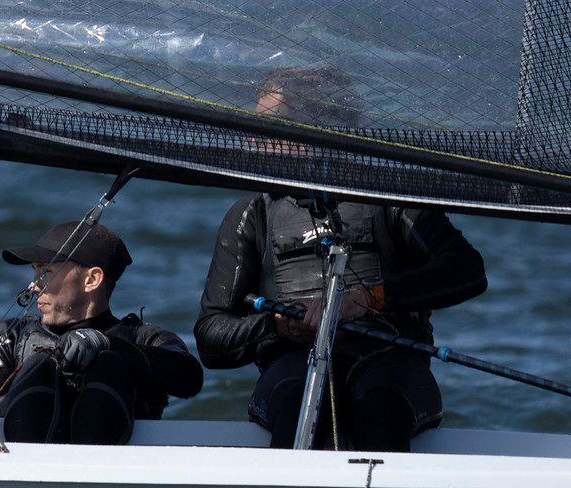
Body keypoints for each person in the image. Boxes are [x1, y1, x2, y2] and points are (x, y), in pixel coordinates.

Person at [194, 67, 488, 451]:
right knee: (305, 406)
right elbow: (210, 338)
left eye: (274, 123)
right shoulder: (253, 214)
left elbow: (467, 271)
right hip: (292, 367)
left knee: (378, 407)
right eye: (255, 123)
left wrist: (368, 300)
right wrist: (276, 327)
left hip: (389, 363)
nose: (256, 137)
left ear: (320, 124)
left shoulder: (388, 199)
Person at [0, 221, 203, 445]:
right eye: (35, 272)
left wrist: (108, 345)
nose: (33, 285)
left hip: (112, 470)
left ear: (92, 279)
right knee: (39, 365)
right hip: (27, 468)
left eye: (46, 272)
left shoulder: (143, 337)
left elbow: (190, 377)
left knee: (108, 364)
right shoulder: (11, 336)